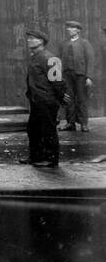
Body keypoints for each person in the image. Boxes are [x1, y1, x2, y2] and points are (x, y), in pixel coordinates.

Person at [22, 29, 65, 168]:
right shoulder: (35, 56)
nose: (29, 40)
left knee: (48, 130)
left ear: (41, 41)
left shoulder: (50, 58)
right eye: (28, 38)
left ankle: (52, 159)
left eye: (32, 38)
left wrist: (57, 99)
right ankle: (36, 157)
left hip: (46, 100)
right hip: (36, 100)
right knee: (33, 129)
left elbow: (58, 82)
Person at [60, 20, 93, 132]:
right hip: (67, 75)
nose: (69, 29)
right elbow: (59, 59)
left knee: (81, 99)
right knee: (69, 99)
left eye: (72, 27)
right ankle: (71, 123)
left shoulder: (84, 43)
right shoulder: (64, 43)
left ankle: (84, 124)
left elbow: (90, 60)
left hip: (80, 75)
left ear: (78, 30)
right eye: (68, 27)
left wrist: (88, 77)